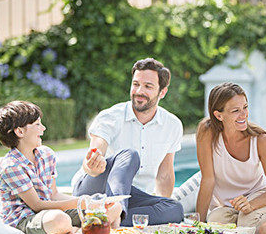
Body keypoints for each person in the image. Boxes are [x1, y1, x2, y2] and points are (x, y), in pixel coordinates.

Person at [0, 101, 122, 234]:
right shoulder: (11, 167)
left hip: (51, 212)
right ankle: (76, 231)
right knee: (59, 220)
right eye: (37, 124)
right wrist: (80, 202)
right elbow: (37, 205)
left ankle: (74, 233)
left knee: (115, 208)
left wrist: (91, 203)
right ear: (20, 131)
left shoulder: (46, 154)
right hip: (25, 220)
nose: (43, 128)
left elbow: (54, 194)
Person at [72, 57, 183, 198]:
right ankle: (116, 211)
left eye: (148, 86)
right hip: (96, 189)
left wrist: (164, 203)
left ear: (162, 92)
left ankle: (116, 214)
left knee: (174, 209)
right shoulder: (110, 117)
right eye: (136, 84)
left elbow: (165, 174)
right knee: (130, 156)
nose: (139, 91)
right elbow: (93, 158)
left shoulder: (172, 125)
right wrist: (93, 164)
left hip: (135, 195)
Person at [195, 82, 266, 234]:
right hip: (231, 205)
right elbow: (208, 179)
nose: (244, 115)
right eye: (236, 110)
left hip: (261, 197)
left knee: (247, 222)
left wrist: (251, 205)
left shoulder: (260, 140)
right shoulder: (207, 132)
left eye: (245, 107)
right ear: (218, 115)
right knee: (215, 220)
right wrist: (197, 225)